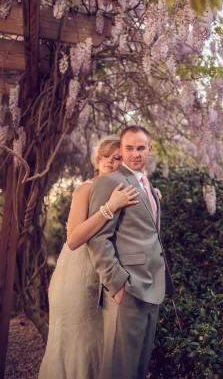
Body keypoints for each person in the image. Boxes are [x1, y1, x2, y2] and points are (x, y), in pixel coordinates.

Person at [38, 136, 140, 378]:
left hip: (102, 278)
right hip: (75, 276)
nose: (110, 161)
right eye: (106, 156)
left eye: (117, 158)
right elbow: (73, 239)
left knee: (97, 346)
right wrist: (111, 206)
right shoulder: (86, 188)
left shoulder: (123, 191)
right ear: (97, 159)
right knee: (75, 344)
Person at [86, 125, 174, 379]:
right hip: (126, 290)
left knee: (138, 368)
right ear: (121, 150)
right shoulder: (110, 182)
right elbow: (98, 238)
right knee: (118, 370)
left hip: (152, 287)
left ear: (150, 150)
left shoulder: (147, 184)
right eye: (129, 148)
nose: (135, 154)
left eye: (140, 148)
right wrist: (118, 283)